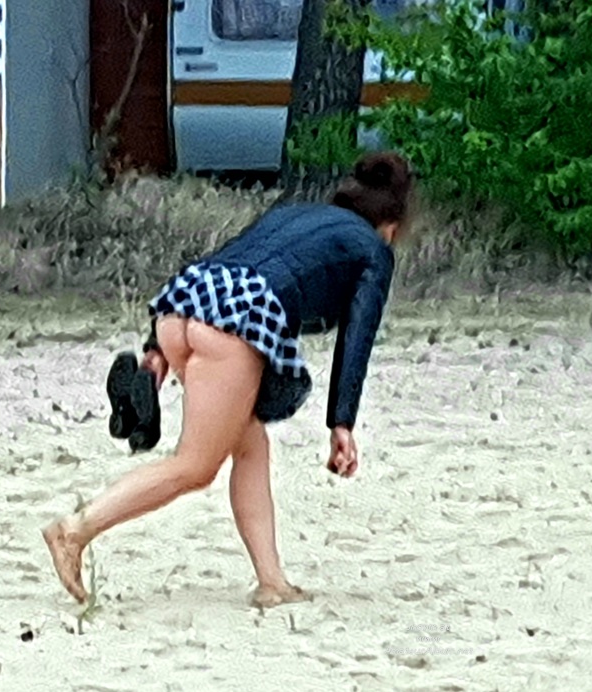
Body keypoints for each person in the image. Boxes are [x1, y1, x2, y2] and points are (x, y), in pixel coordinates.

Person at [44, 151, 415, 608]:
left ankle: (272, 581)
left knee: (250, 442)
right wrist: (342, 422)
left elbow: (225, 261)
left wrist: (156, 347)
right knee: (194, 467)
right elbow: (357, 336)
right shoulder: (374, 250)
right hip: (236, 324)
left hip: (183, 304)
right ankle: (74, 531)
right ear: (390, 227)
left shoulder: (293, 213)